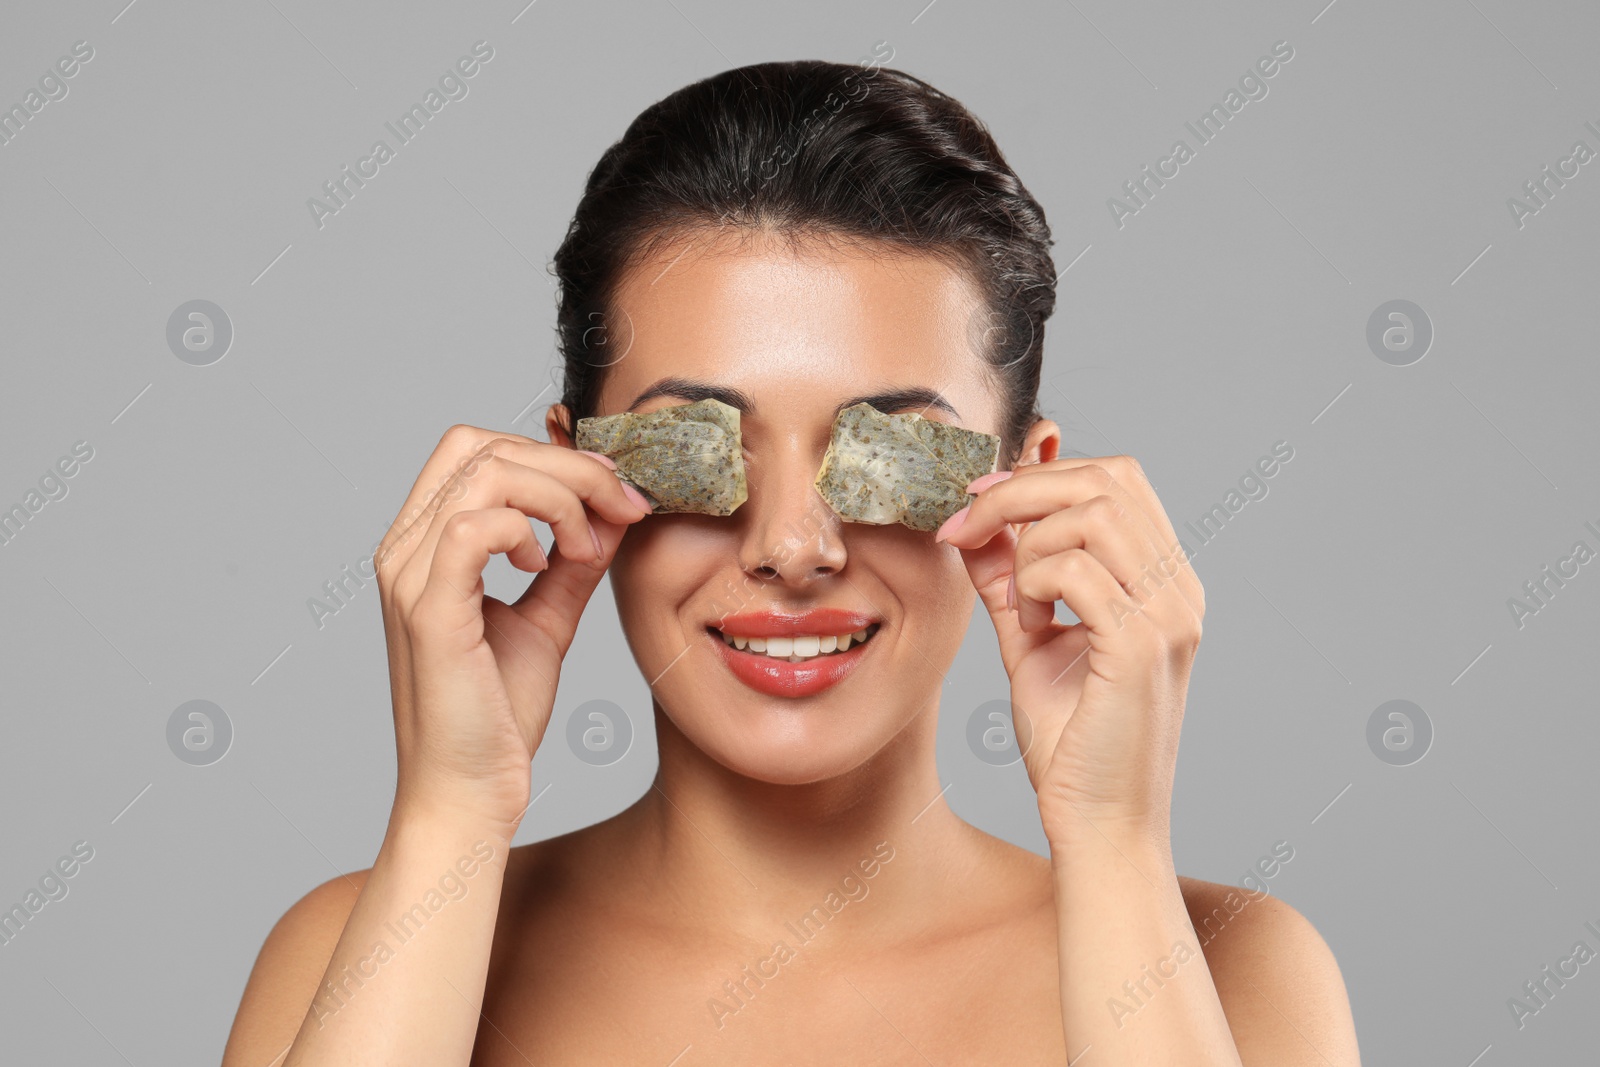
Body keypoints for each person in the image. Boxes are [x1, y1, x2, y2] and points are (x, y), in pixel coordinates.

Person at [222, 58, 1359, 1066]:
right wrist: (452, 809)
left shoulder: (1235, 971)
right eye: (695, 446)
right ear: (572, 472)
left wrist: (1113, 844)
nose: (791, 548)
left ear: (1026, 484)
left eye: (891, 450)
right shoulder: (346, 948)